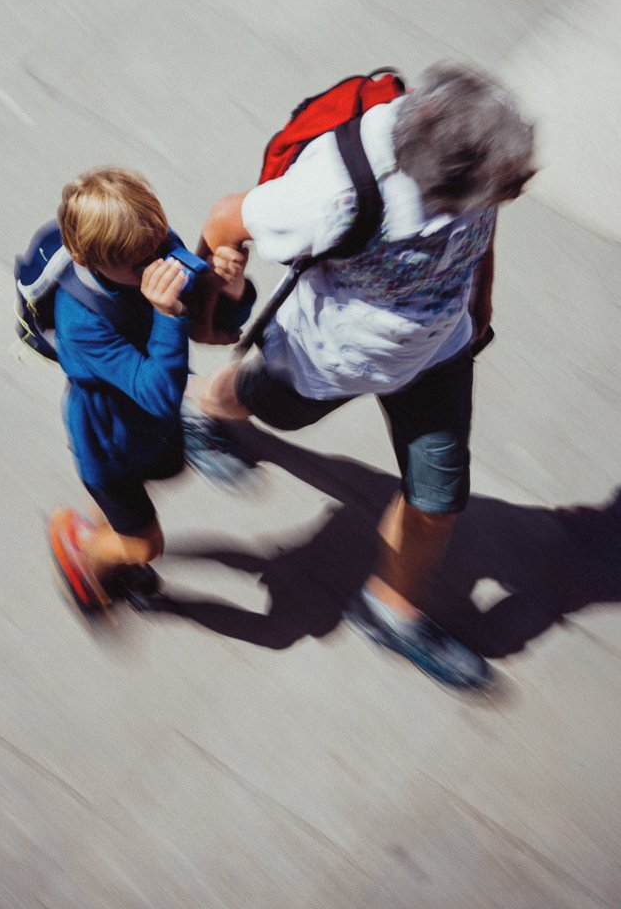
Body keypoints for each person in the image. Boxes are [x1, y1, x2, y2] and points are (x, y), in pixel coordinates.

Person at [187, 63, 536, 688]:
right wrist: (215, 294)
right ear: (441, 185)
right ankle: (205, 409)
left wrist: (480, 299)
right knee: (270, 405)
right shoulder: (334, 193)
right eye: (504, 188)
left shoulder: (473, 151)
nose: (514, 193)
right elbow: (225, 219)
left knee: (437, 499)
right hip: (328, 360)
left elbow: (481, 223)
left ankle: (389, 612)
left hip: (438, 354)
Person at [47, 166, 254, 616]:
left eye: (161, 245)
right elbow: (159, 395)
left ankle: (107, 532)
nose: (160, 264)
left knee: (162, 477)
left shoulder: (148, 248)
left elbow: (211, 324)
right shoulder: (82, 324)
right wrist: (167, 316)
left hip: (148, 430)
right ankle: (81, 546)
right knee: (146, 546)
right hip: (109, 447)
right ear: (88, 260)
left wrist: (230, 289)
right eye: (141, 263)